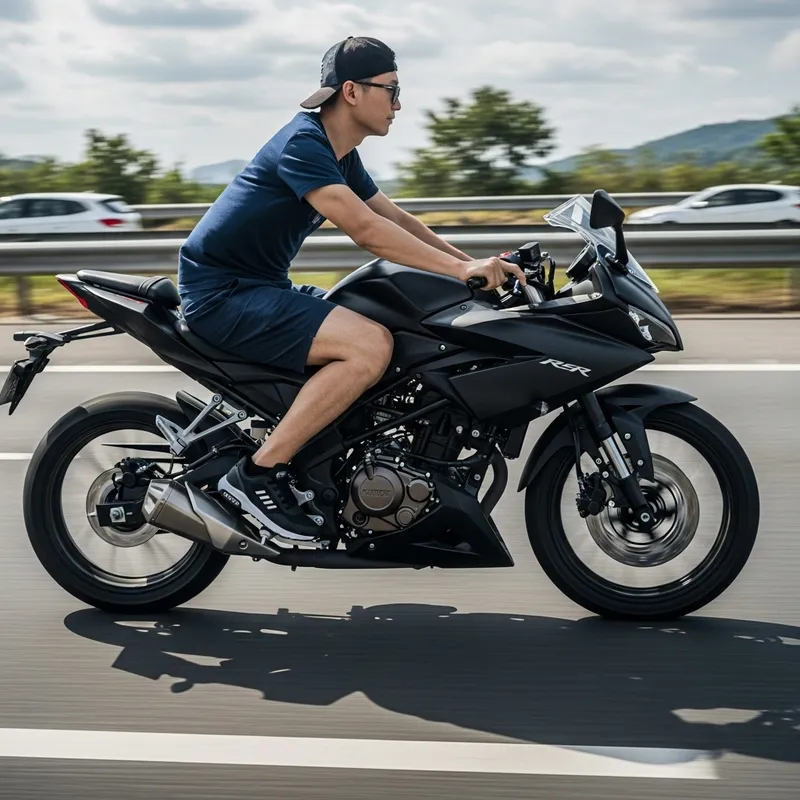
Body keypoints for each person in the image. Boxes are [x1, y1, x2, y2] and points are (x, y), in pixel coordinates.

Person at [177, 35, 526, 541]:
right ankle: (256, 475)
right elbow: (366, 231)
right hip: (223, 294)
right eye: (392, 89)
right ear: (352, 92)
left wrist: (471, 265)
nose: (399, 104)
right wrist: (458, 271)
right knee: (369, 347)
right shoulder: (303, 144)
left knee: (396, 327)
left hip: (260, 286)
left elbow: (396, 219)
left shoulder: (339, 152)